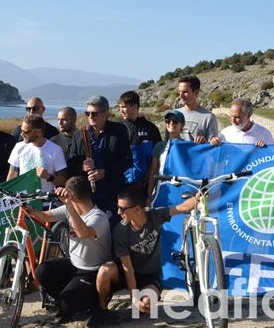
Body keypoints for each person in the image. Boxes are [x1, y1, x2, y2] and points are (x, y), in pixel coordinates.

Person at [21, 176, 111, 323]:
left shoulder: (98, 217)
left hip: (92, 272)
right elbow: (46, 216)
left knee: (66, 302)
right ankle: (68, 302)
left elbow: (84, 233)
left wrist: (68, 204)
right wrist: (32, 211)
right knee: (42, 271)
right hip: (74, 264)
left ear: (72, 197)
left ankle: (89, 303)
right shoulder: (70, 208)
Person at [95, 187, 197, 316]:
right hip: (127, 272)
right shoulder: (120, 231)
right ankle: (102, 310)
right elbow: (128, 268)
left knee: (146, 304)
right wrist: (134, 298)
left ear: (137, 209)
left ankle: (144, 301)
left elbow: (181, 208)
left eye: (122, 209)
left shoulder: (155, 216)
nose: (118, 212)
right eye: (118, 207)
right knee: (104, 271)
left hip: (149, 276)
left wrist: (198, 198)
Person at [68, 95, 132, 223]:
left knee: (111, 231)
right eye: (88, 113)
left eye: (94, 114)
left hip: (110, 193)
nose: (90, 117)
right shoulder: (79, 134)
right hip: (86, 195)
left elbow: (127, 159)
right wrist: (81, 166)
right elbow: (70, 163)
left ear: (105, 114)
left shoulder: (119, 131)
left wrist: (105, 172)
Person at [7, 115, 68, 192]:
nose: (21, 134)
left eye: (26, 132)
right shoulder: (19, 147)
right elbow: (12, 175)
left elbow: (64, 180)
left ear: (38, 132)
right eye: (21, 130)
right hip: (23, 200)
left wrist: (48, 177)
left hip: (46, 201)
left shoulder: (55, 150)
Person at [117, 91, 161, 191]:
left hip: (145, 186)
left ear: (135, 106)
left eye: (124, 107)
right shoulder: (118, 128)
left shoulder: (151, 129)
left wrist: (145, 181)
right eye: (119, 107)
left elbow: (157, 159)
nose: (121, 111)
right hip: (122, 185)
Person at [145, 110, 185, 203]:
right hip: (163, 189)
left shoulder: (187, 146)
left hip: (179, 190)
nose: (171, 123)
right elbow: (154, 171)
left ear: (182, 125)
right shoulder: (159, 146)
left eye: (175, 121)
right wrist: (149, 195)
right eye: (168, 120)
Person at [176, 75, 218, 143]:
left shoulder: (209, 117)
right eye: (180, 91)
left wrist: (204, 142)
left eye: (185, 92)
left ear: (196, 92)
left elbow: (212, 147)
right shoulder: (174, 115)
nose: (181, 95)